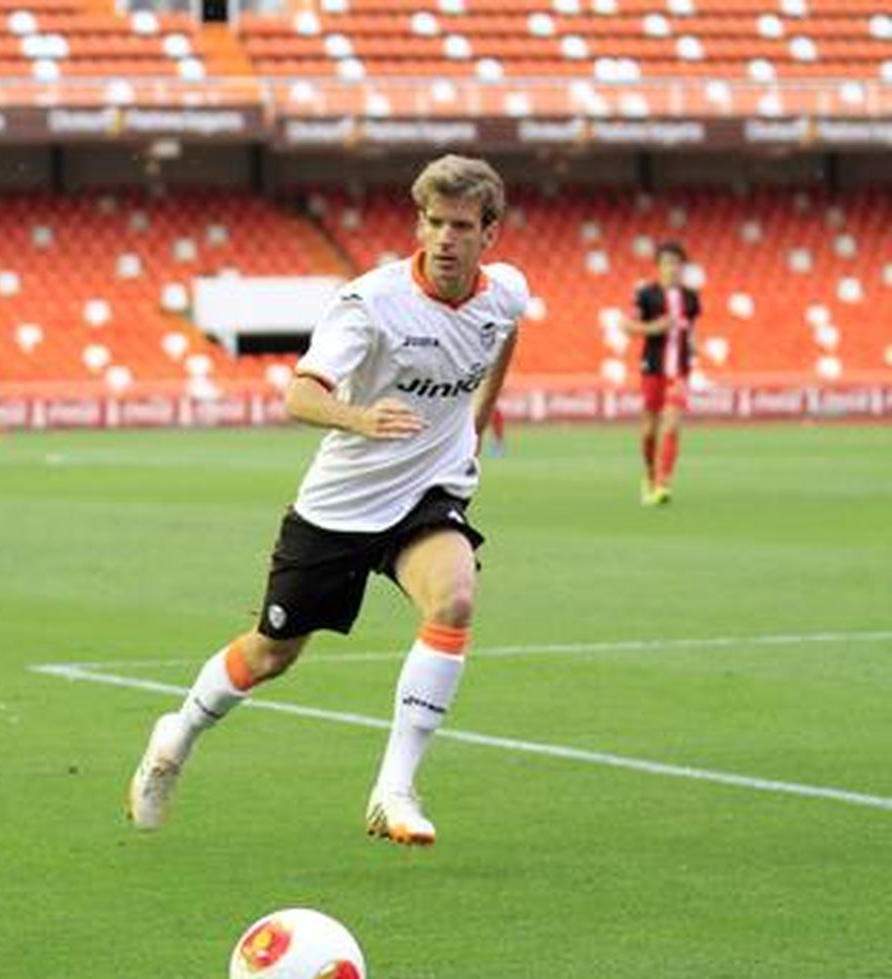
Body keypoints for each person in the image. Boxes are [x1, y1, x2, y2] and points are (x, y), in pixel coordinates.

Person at [126, 155, 527, 848]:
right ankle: (177, 732)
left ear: (489, 233)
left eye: (462, 226)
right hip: (341, 505)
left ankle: (394, 789)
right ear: (419, 223)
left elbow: (503, 337)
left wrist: (475, 426)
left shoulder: (506, 294)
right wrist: (361, 419)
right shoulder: (372, 303)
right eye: (434, 223)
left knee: (455, 599)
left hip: (427, 496)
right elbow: (298, 394)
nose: (445, 239)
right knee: (273, 652)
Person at [621, 241, 700, 505]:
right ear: (659, 267)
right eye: (667, 263)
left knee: (672, 424)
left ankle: (663, 483)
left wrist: (693, 345)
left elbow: (692, 328)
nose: (673, 268)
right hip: (652, 368)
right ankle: (649, 474)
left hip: (679, 370)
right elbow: (626, 325)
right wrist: (655, 327)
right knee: (648, 431)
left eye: (677, 263)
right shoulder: (646, 294)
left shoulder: (690, 297)